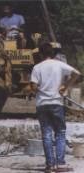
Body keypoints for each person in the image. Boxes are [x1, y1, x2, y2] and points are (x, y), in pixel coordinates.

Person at [30, 43, 80, 173]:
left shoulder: (37, 67)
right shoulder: (59, 64)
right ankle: (61, 164)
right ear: (53, 53)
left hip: (42, 104)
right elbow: (77, 73)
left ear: (41, 54)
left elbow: (34, 87)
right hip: (56, 102)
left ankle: (50, 165)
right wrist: (65, 87)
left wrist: (40, 89)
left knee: (46, 133)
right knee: (60, 132)